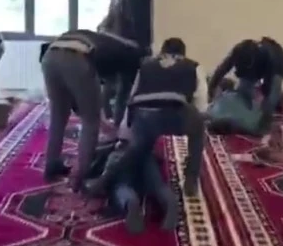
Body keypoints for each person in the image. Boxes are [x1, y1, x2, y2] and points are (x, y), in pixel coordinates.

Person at [86, 38, 207, 198]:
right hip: (176, 112)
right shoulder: (193, 66)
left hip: (144, 113)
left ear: (161, 52)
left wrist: (125, 131)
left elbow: (133, 97)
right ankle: (190, 180)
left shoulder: (146, 65)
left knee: (137, 147)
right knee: (198, 127)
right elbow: (201, 104)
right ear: (183, 54)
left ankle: (104, 179)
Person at [40, 29, 145, 188]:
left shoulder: (109, 43)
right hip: (76, 57)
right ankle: (82, 175)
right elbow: (124, 95)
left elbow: (88, 93)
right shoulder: (133, 57)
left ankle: (51, 166)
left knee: (58, 116)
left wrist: (92, 111)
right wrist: (115, 124)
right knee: (91, 122)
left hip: (49, 56)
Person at [98, 0, 163, 127]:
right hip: (129, 45)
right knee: (126, 89)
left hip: (111, 38)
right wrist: (146, 48)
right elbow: (142, 22)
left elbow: (112, 12)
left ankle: (107, 117)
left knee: (111, 82)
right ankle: (119, 124)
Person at [88, 138, 178, 234]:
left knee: (121, 186)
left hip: (120, 157)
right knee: (158, 186)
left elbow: (95, 152)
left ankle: (131, 201)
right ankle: (170, 202)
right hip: (145, 155)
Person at [207, 37, 283, 131]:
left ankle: (248, 119)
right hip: (254, 67)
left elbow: (272, 96)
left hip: (273, 69)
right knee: (244, 92)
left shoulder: (276, 61)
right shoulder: (239, 51)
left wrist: (260, 125)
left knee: (264, 110)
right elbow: (221, 71)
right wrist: (211, 95)